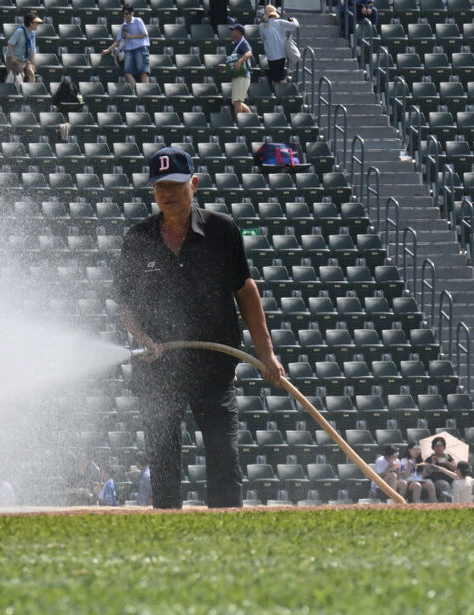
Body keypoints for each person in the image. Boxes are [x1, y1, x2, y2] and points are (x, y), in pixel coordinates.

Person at [115, 147, 285, 509]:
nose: (169, 194)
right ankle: (168, 533)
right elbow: (125, 304)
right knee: (162, 460)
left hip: (213, 367)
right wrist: (142, 338)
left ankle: (226, 536)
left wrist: (266, 353)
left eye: (176, 185)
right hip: (158, 369)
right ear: (153, 192)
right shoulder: (137, 238)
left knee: (224, 455)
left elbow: (246, 291)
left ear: (194, 184)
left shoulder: (222, 231)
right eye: (160, 187)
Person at [101, 4, 151, 87]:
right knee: (127, 72)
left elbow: (145, 34)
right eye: (125, 14)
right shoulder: (124, 25)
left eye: (128, 13)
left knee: (143, 72)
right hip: (129, 51)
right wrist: (108, 50)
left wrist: (130, 37)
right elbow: (118, 41)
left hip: (140, 48)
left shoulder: (138, 21)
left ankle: (144, 93)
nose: (127, 15)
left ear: (132, 13)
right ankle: (135, 92)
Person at [259, 5, 299, 85]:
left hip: (270, 55)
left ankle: (276, 92)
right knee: (281, 77)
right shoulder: (280, 22)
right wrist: (294, 20)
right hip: (280, 54)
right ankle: (283, 93)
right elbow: (295, 26)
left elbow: (262, 39)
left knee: (275, 76)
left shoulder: (261, 26)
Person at [222, 23, 254, 115]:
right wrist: (226, 67)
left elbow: (248, 53)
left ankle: (238, 123)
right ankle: (252, 118)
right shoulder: (237, 44)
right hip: (238, 75)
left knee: (237, 102)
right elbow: (234, 62)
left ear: (238, 32)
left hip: (242, 75)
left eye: (233, 31)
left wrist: (239, 62)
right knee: (236, 102)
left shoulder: (243, 42)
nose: (231, 33)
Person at [5, 13, 43, 84]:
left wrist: (32, 63)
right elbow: (10, 44)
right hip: (14, 58)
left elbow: (32, 49)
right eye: (36, 23)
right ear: (30, 23)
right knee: (20, 76)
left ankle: (31, 92)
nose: (37, 25)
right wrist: (13, 57)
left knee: (31, 74)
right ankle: (20, 92)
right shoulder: (20, 31)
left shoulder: (32, 34)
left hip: (25, 59)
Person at [423, 436, 458, 502]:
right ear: (433, 447)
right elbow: (427, 473)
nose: (438, 448)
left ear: (444, 447)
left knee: (460, 482)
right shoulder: (429, 459)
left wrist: (447, 463)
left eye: (440, 446)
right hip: (437, 480)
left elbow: (455, 467)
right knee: (444, 484)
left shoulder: (448, 457)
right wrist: (433, 463)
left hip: (450, 479)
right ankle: (447, 503)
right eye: (436, 446)